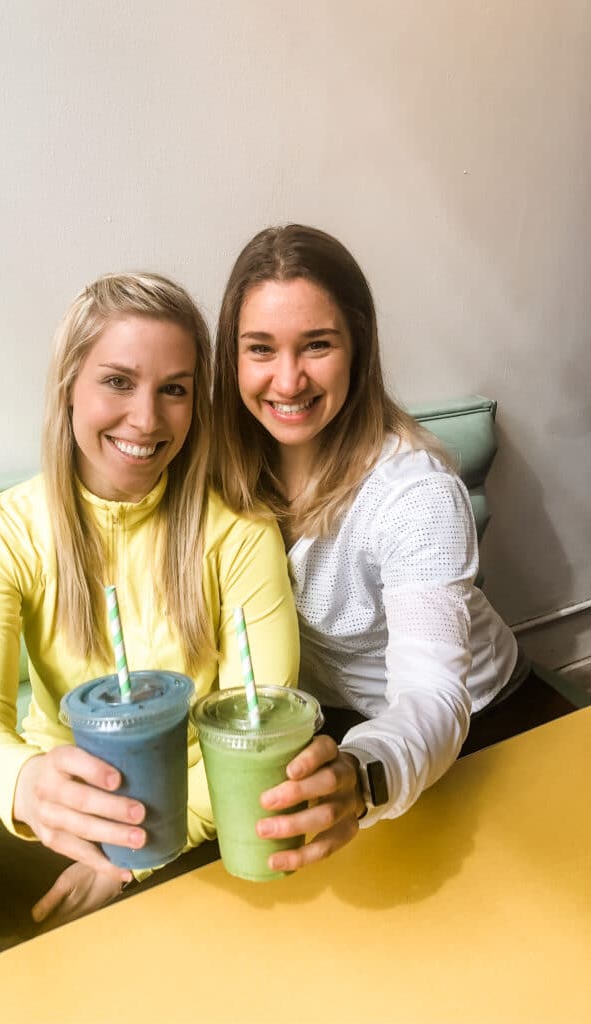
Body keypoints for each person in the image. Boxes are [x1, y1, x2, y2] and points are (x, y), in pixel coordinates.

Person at [0, 272, 300, 1019]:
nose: (146, 420)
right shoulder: (0, 537)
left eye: (175, 389)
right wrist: (26, 788)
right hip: (67, 794)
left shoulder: (239, 534)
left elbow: (255, 738)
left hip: (198, 810)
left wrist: (131, 866)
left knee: (212, 942)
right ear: (69, 388)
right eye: (118, 381)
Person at [210, 223, 576, 869]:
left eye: (317, 345)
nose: (288, 380)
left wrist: (364, 774)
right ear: (230, 358)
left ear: (358, 347)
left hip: (481, 723)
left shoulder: (416, 492)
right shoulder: (221, 472)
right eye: (260, 349)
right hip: (337, 725)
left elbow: (434, 695)